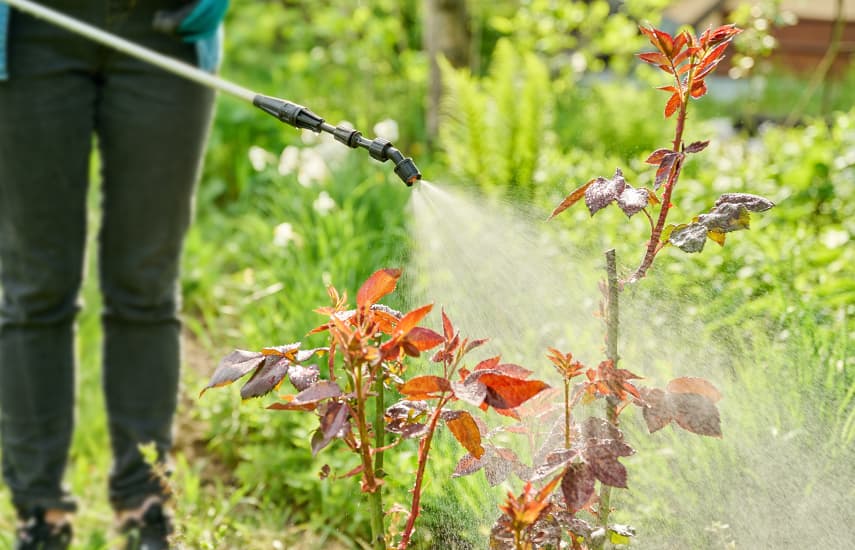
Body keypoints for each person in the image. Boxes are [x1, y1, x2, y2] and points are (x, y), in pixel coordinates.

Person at [0, 1, 228, 548]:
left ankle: (144, 502)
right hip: (29, 29)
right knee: (36, 286)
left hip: (166, 30)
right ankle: (39, 515)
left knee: (147, 284)